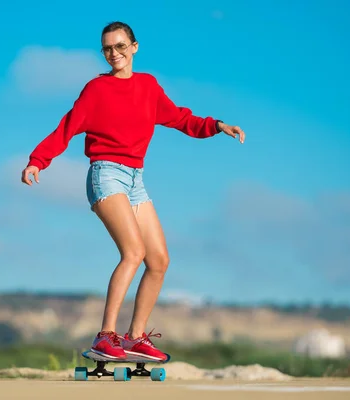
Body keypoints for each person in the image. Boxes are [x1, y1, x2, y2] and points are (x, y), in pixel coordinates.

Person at [21, 21, 245, 361]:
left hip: (135, 179)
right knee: (133, 252)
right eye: (108, 48)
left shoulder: (148, 86)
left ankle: (135, 337)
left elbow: (180, 119)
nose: (115, 54)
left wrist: (216, 125)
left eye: (121, 46)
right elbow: (66, 128)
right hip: (105, 174)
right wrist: (38, 161)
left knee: (158, 260)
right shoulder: (96, 90)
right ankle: (105, 337)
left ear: (135, 47)